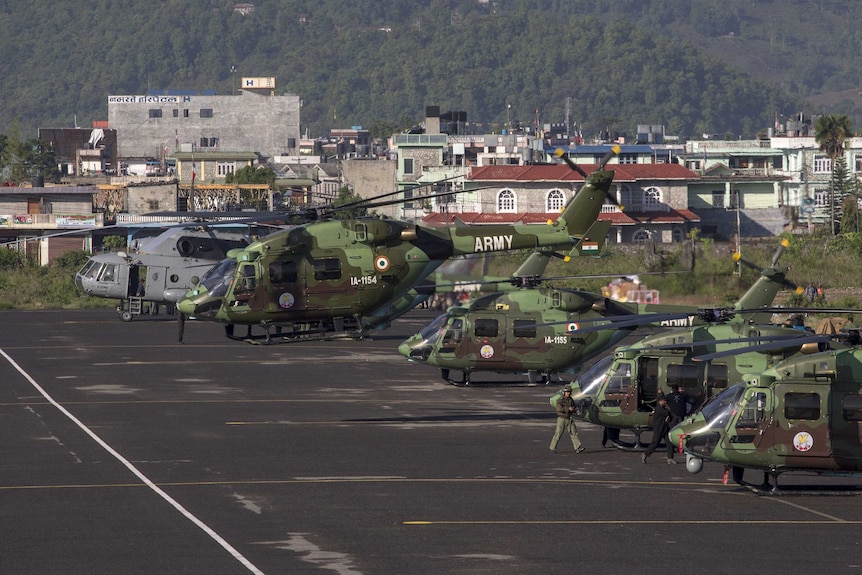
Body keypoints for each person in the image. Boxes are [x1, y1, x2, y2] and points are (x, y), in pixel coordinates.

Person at [549, 386, 585, 454]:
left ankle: (577, 447)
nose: (568, 393)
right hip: (562, 419)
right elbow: (559, 409)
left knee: (574, 433)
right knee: (558, 433)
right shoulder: (560, 400)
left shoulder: (570, 399)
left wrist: (574, 409)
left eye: (569, 392)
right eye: (567, 392)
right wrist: (568, 409)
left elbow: (573, 406)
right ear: (564, 393)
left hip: (569, 418)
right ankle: (552, 447)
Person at [641, 396, 676, 464]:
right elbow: (667, 413)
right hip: (659, 428)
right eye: (664, 401)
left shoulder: (662, 408)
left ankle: (670, 457)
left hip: (665, 427)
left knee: (669, 442)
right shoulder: (658, 408)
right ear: (660, 401)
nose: (665, 402)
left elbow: (669, 415)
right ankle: (646, 454)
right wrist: (668, 409)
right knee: (655, 442)